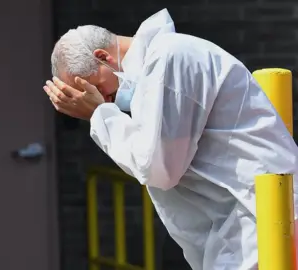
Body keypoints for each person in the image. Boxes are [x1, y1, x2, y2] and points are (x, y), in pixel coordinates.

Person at [43, 8, 298, 270]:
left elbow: (158, 167)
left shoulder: (169, 58)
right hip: (242, 226)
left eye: (96, 90)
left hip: (260, 218)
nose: (106, 99)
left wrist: (99, 114)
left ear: (102, 57)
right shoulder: (156, 68)